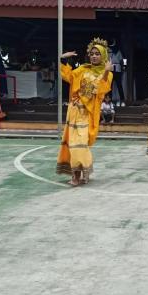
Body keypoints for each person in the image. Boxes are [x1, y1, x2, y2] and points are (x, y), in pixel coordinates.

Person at [57, 37, 113, 186]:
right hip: (75, 111)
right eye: (92, 53)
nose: (94, 56)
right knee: (73, 144)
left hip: (88, 114)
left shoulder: (107, 73)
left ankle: (82, 172)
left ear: (103, 56)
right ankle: (76, 175)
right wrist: (63, 60)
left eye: (97, 54)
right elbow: (69, 76)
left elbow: (102, 88)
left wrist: (106, 71)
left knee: (81, 144)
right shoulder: (82, 69)